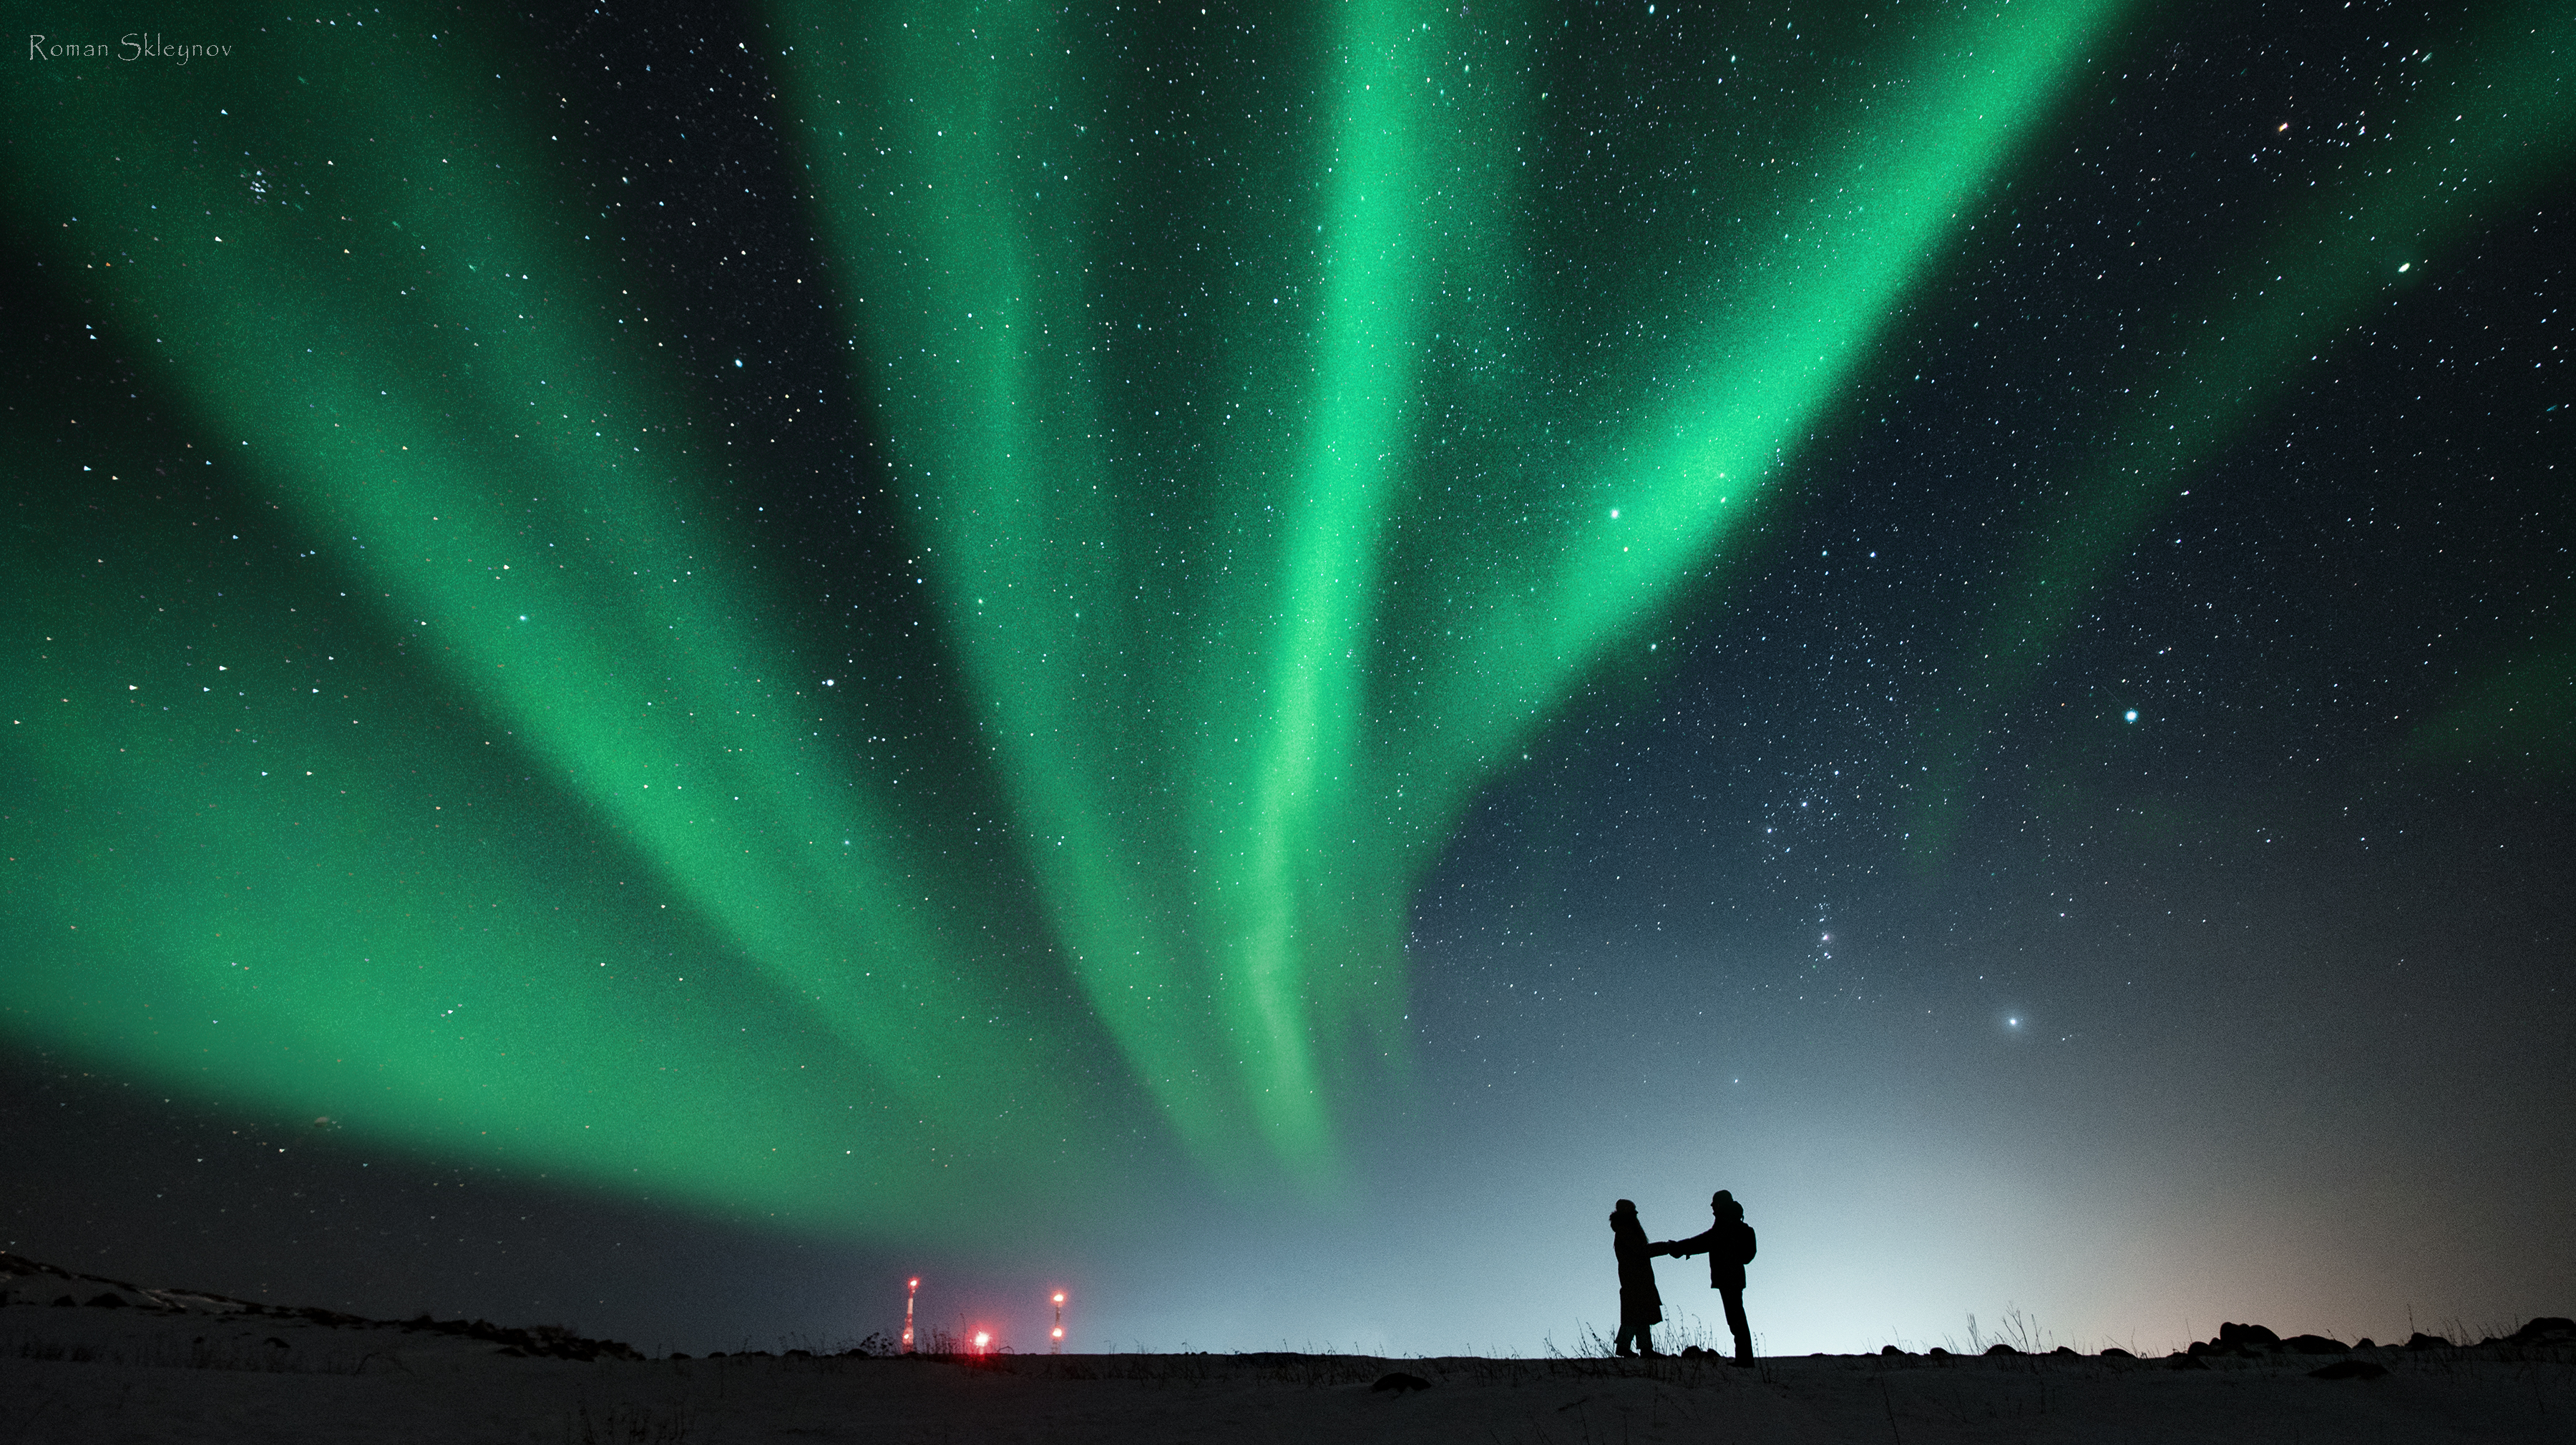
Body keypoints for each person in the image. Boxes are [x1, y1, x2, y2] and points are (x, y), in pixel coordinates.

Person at [1658, 1190, 1757, 1365]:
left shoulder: (1725, 1223)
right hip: (1734, 1276)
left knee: (1736, 1319)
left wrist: (1680, 1248)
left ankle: (1745, 1360)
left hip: (1728, 1277)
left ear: (1721, 1204)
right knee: (1736, 1317)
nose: (1712, 1206)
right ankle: (1744, 1358)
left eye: (1714, 1203)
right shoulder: (1732, 1222)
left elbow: (1704, 1241)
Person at [1607, 1198, 1663, 1358]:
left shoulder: (1625, 1231)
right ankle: (1625, 1346)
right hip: (1635, 1279)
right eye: (1632, 1210)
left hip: (1637, 1278)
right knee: (1635, 1314)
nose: (1636, 1213)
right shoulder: (1626, 1231)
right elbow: (1642, 1251)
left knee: (1641, 1314)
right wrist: (1665, 1247)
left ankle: (1645, 1348)